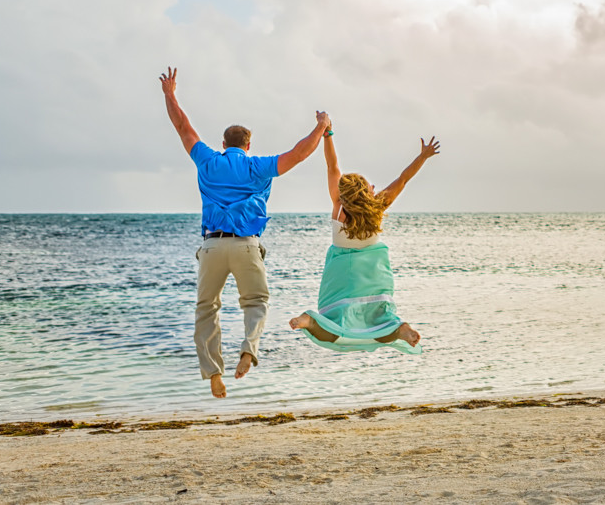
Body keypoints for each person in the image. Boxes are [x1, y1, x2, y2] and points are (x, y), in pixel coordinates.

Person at [159, 67, 331, 398]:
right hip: (247, 247)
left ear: (224, 144)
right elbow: (298, 153)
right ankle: (249, 349)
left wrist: (170, 94)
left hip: (211, 246)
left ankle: (212, 372)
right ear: (248, 145)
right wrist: (321, 126)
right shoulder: (258, 165)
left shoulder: (208, 161)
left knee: (206, 308)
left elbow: (183, 127)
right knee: (256, 302)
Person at [289, 126, 440, 353]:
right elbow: (404, 178)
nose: (374, 187)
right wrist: (422, 157)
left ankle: (309, 321)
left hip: (341, 276)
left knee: (334, 326)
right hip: (373, 275)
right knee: (380, 321)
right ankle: (400, 330)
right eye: (370, 186)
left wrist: (328, 135)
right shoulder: (378, 208)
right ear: (367, 193)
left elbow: (332, 166)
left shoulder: (339, 209)